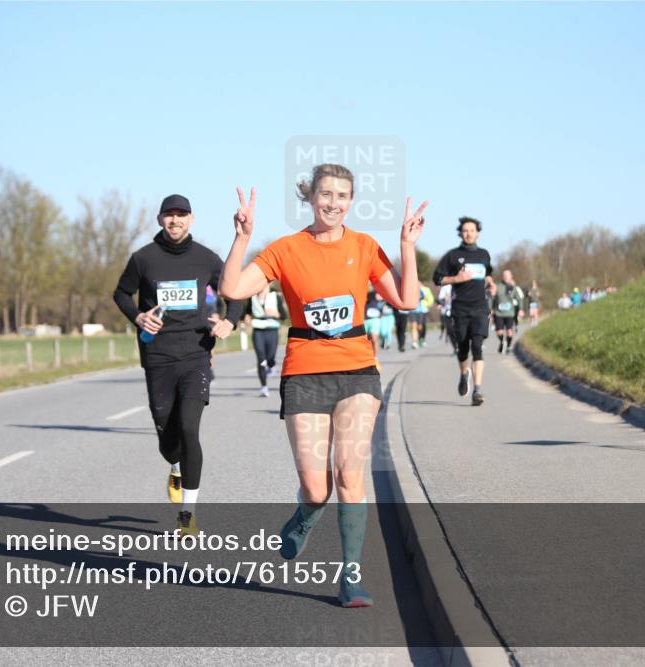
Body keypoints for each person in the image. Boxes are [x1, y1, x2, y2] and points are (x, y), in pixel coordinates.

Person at [220, 164, 426, 608]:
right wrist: (241, 237)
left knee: (351, 475)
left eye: (342, 196)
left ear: (351, 201)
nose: (333, 203)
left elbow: (407, 300)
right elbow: (233, 288)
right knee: (318, 487)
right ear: (310, 197)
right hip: (305, 373)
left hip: (356, 371)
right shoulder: (285, 249)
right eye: (325, 194)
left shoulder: (365, 246)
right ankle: (307, 512)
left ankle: (350, 577)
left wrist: (407, 246)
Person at [113, 194, 242, 536]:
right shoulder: (143, 259)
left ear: (191, 219)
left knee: (189, 427)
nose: (175, 221)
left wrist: (232, 321)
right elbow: (121, 294)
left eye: (181, 215)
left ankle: (188, 512)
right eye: (169, 215)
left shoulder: (206, 259)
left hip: (196, 353)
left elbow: (235, 291)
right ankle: (174, 465)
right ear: (160, 219)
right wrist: (137, 316)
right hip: (157, 356)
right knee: (168, 438)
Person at [433, 216, 496, 405]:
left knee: (477, 346)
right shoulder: (452, 256)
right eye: (465, 230)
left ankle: (477, 390)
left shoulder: (484, 254)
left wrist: (490, 284)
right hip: (460, 309)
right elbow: (437, 278)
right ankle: (464, 373)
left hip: (480, 307)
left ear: (477, 233)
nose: (469, 233)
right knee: (463, 348)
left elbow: (488, 274)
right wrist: (455, 279)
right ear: (460, 233)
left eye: (472, 230)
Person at [245, 284, 283, 397]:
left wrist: (275, 314)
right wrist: (247, 317)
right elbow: (247, 313)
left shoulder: (275, 296)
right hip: (258, 330)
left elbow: (284, 315)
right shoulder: (252, 297)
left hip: (272, 330)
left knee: (270, 358)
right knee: (261, 358)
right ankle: (264, 387)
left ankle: (271, 365)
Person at [493, 269, 524, 354]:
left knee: (509, 331)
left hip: (510, 313)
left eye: (508, 276)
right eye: (505, 276)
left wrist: (521, 309)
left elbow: (519, 298)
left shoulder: (513, 287)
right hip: (498, 312)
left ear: (511, 277)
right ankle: (502, 342)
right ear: (502, 277)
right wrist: (490, 309)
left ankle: (509, 346)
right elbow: (492, 298)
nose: (506, 277)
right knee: (499, 332)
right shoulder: (497, 286)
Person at [363, 288, 382, 359]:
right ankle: (368, 356)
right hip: (365, 319)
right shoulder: (362, 292)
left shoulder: (376, 293)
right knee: (366, 340)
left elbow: (381, 297)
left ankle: (375, 357)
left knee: (374, 339)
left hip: (375, 320)